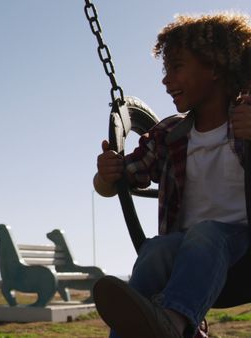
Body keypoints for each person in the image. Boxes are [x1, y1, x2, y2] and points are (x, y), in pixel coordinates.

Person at [93, 12, 251, 338]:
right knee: (155, 251)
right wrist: (107, 176)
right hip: (186, 248)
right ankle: (133, 330)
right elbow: (119, 182)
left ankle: (175, 325)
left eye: (177, 67)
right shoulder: (170, 133)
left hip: (242, 247)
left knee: (206, 234)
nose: (165, 80)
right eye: (166, 70)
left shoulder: (246, 120)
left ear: (215, 67)